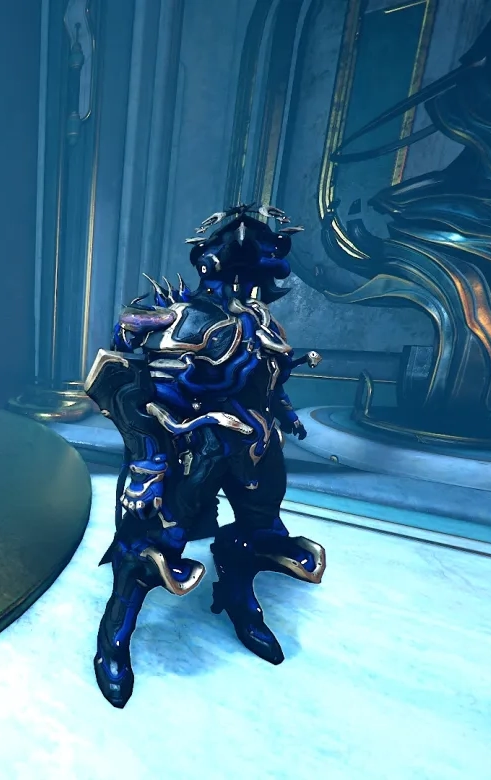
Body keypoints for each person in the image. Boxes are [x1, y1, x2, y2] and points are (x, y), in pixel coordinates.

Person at [85, 204, 328, 708]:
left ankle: (239, 601)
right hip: (191, 446)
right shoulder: (179, 317)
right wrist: (149, 459)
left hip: (253, 446)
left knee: (260, 532)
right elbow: (129, 386)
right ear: (209, 259)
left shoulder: (262, 323)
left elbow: (268, 383)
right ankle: (114, 640)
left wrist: (284, 413)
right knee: (154, 547)